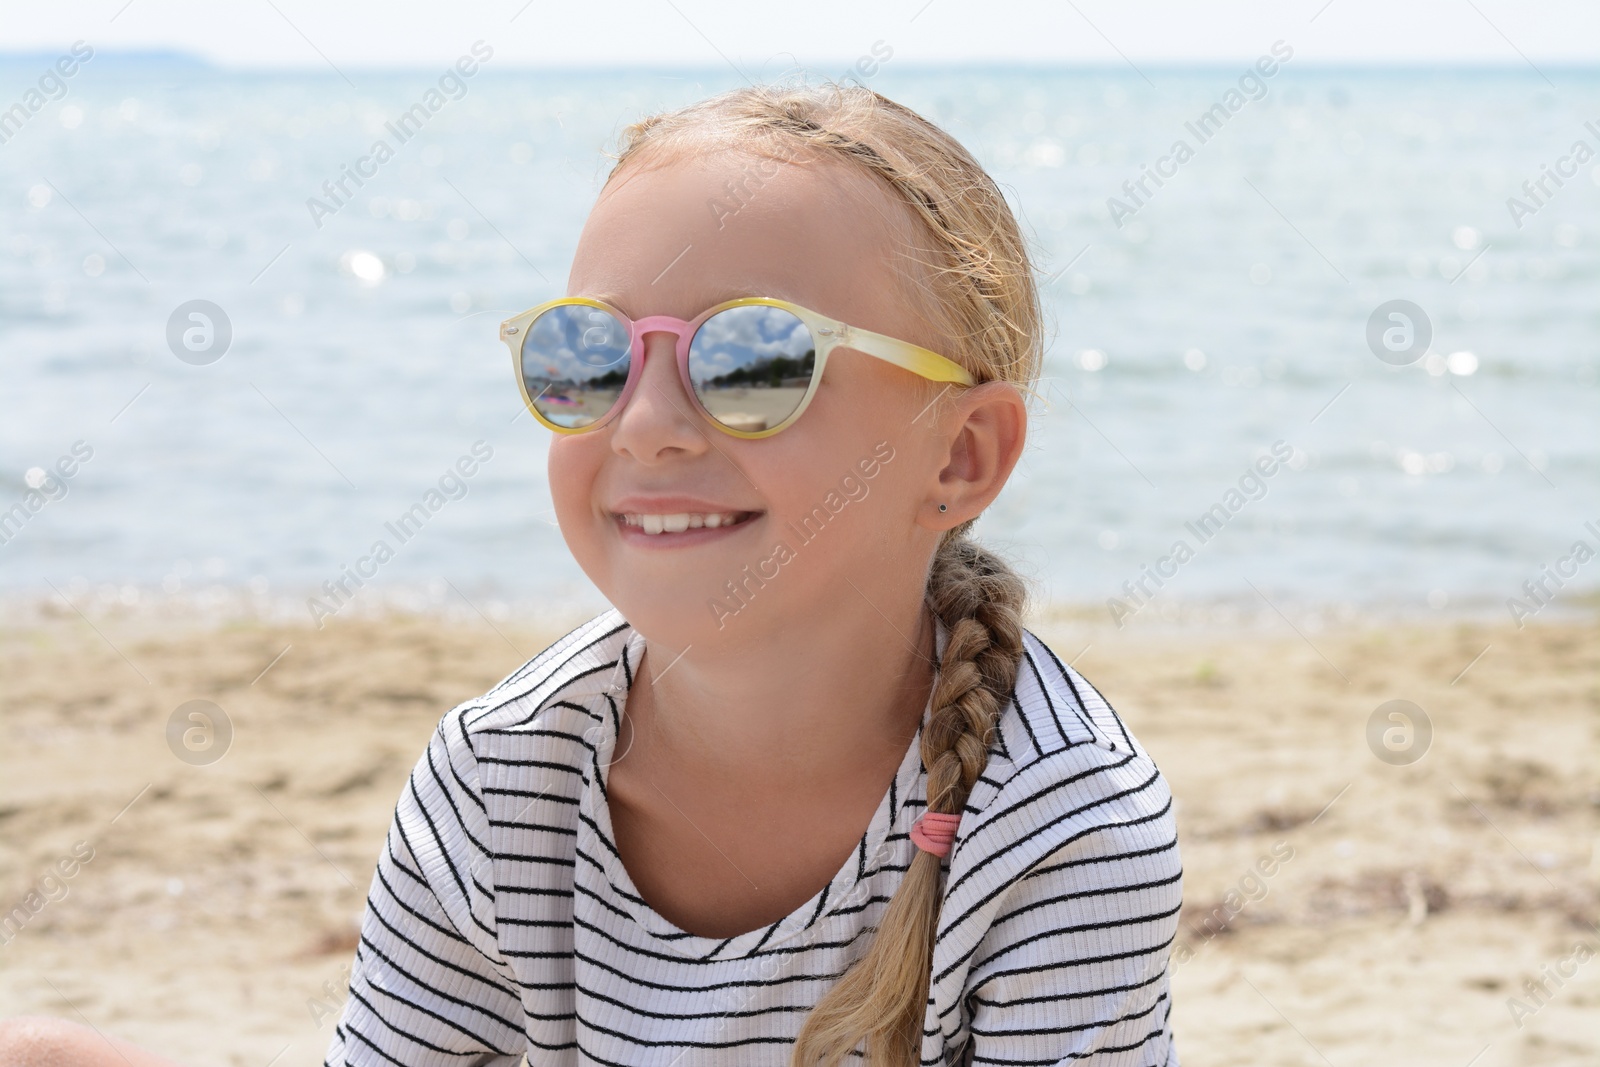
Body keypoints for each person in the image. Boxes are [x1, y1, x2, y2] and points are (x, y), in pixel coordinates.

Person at [1, 80, 1181, 1067]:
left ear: (962, 453)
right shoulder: (501, 771)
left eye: (754, 358)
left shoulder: (1059, 822)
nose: (649, 423)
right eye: (589, 356)